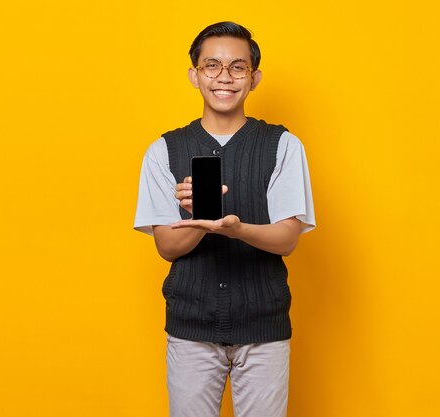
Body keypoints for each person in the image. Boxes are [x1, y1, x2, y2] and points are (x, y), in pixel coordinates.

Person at [134, 21, 316, 417]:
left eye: (238, 67)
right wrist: (201, 220)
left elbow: (286, 239)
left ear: (254, 79)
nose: (224, 77)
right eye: (211, 66)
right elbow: (167, 247)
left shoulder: (283, 145)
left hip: (263, 328)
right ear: (193, 75)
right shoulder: (163, 150)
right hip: (191, 329)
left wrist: (235, 229)